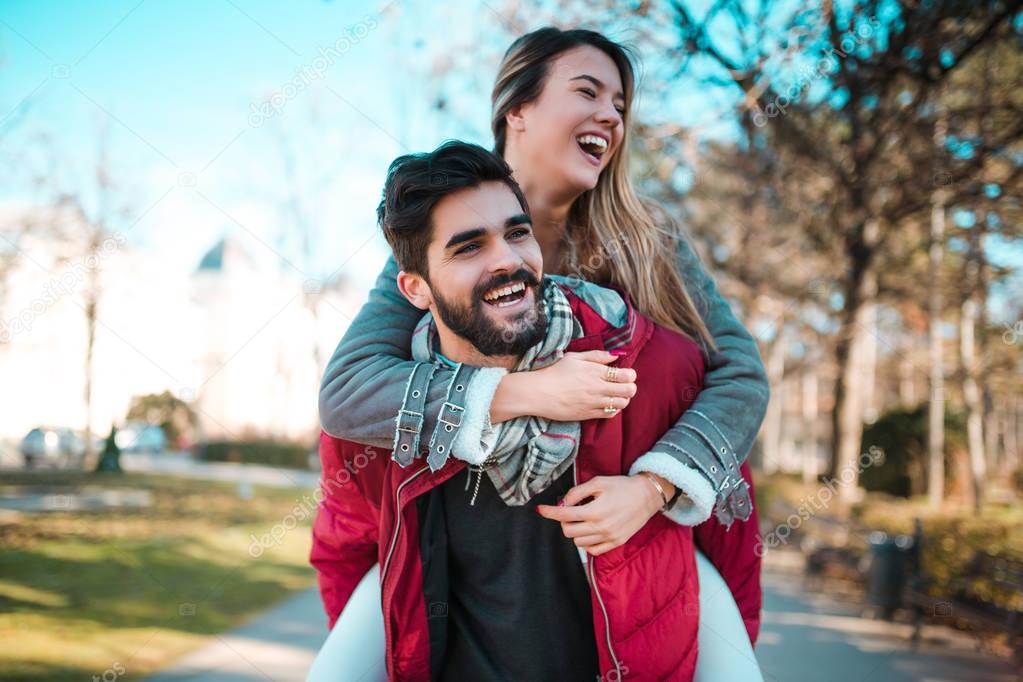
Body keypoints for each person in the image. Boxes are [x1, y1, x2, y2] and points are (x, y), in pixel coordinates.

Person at [313, 26, 767, 678]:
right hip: (468, 547)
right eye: (587, 91)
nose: (610, 114)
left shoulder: (649, 241)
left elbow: (741, 376)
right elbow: (351, 390)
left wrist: (652, 487)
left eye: (619, 102)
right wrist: (523, 392)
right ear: (516, 111)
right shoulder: (437, 234)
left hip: (632, 545)